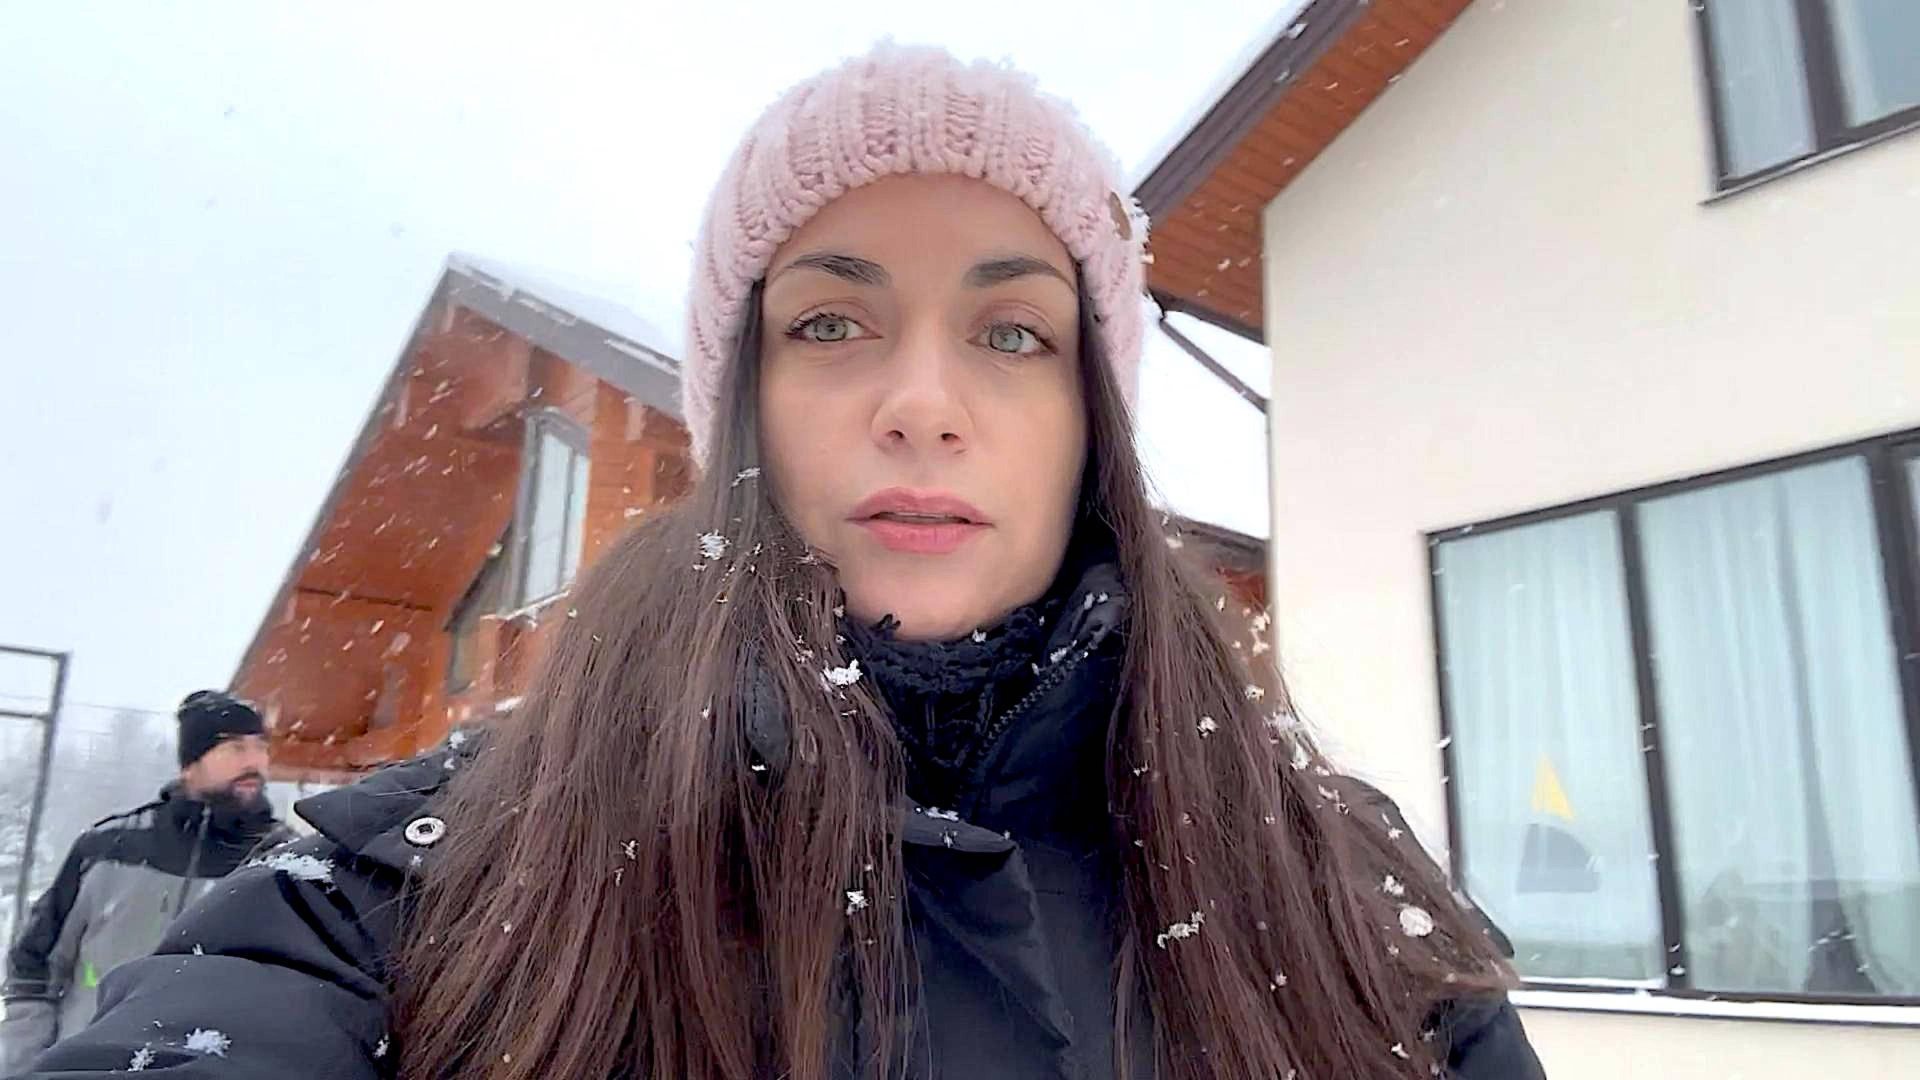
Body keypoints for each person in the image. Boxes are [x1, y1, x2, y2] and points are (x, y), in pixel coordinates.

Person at [21, 45, 1546, 1079]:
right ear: (739, 407)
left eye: (1014, 331)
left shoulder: (1339, 902)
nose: (924, 403)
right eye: (830, 320)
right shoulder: (423, 879)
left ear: (1094, 421)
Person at [1, 691, 292, 1075]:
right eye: (236, 748)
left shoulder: (283, 864)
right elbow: (34, 966)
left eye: (260, 747)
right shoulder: (109, 848)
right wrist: (25, 1063)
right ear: (191, 764)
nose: (254, 761)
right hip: (86, 1067)